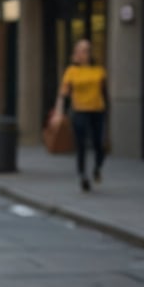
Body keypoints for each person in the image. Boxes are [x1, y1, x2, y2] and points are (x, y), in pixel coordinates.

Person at [52, 38, 107, 191]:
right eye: (82, 50)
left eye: (87, 50)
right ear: (75, 54)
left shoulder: (99, 70)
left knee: (99, 143)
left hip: (97, 110)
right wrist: (58, 112)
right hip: (80, 111)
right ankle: (82, 174)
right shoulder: (71, 71)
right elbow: (63, 94)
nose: (85, 53)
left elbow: (104, 92)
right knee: (81, 144)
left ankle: (97, 167)